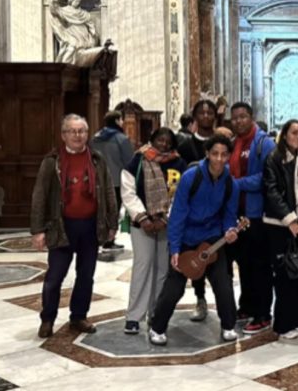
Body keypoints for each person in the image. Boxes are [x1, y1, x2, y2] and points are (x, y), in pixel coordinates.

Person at [30, 114, 118, 338]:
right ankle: (47, 319)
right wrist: (38, 230)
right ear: (63, 135)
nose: (77, 135)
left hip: (90, 226)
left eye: (82, 131)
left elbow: (109, 191)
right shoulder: (52, 162)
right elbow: (39, 195)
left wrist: (112, 223)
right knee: (54, 277)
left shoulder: (96, 159)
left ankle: (78, 316)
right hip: (61, 226)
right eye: (72, 131)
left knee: (86, 275)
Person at [148, 134, 240, 346]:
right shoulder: (191, 177)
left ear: (228, 156)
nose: (219, 159)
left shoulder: (230, 184)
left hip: (212, 240)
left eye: (224, 154)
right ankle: (157, 327)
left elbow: (229, 215)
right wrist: (175, 248)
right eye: (215, 154)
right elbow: (178, 215)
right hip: (186, 238)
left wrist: (229, 230)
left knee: (223, 284)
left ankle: (228, 326)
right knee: (175, 287)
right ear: (207, 154)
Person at [120, 127, 186, 334]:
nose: (164, 144)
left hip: (167, 224)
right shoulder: (138, 160)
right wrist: (143, 217)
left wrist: (165, 218)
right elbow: (128, 191)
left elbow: (181, 195)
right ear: (152, 140)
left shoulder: (179, 163)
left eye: (168, 141)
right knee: (143, 266)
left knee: (162, 270)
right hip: (142, 225)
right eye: (160, 140)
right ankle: (134, 316)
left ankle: (156, 313)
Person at [262, 119, 298, 339]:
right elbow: (271, 190)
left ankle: (297, 320)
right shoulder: (274, 159)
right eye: (294, 133)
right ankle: (283, 324)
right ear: (285, 134)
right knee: (284, 276)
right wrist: (290, 220)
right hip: (279, 225)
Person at [227, 102, 276, 334]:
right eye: (234, 118)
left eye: (242, 117)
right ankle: (247, 305)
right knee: (244, 264)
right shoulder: (232, 143)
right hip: (238, 213)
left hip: (258, 214)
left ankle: (263, 313)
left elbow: (266, 177)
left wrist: (236, 184)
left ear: (251, 117)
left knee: (260, 266)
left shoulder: (264, 143)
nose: (238, 121)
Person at [176, 99, 219, 321]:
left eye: (210, 113)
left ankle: (225, 304)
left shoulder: (221, 142)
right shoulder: (185, 145)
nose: (206, 116)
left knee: (220, 260)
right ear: (194, 117)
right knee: (195, 257)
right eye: (201, 113)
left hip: (218, 208)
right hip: (193, 211)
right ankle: (200, 298)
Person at [90, 110, 134, 250]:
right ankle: (109, 240)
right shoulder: (121, 139)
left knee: (97, 209)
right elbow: (129, 161)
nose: (122, 122)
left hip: (96, 179)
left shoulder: (95, 137)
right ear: (116, 121)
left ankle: (96, 237)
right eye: (121, 120)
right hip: (116, 179)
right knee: (113, 210)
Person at [49, 0, 106, 66]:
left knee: (81, 51)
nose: (77, 2)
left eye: (78, 1)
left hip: (83, 34)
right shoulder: (65, 10)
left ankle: (76, 64)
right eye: (75, 1)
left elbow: (89, 22)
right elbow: (54, 11)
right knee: (71, 48)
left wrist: (93, 31)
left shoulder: (83, 12)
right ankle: (64, 65)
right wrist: (53, 1)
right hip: (71, 32)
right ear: (71, 1)